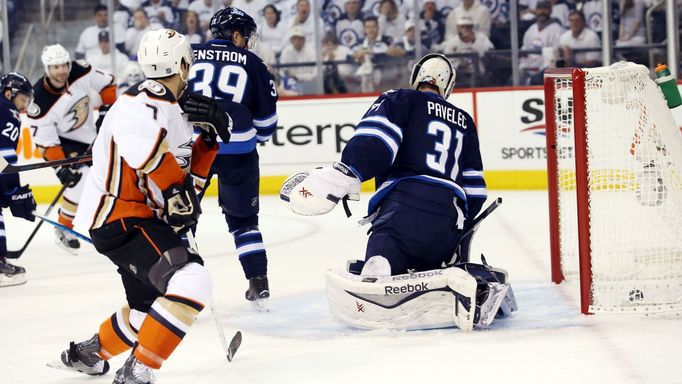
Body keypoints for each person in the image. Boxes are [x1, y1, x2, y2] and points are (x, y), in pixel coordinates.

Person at [282, 53, 516, 331]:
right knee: (430, 260)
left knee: (378, 265)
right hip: (448, 222)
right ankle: (458, 278)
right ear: (448, 86)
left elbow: (376, 143)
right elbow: (475, 190)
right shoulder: (464, 121)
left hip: (402, 211)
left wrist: (345, 173)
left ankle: (386, 275)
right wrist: (456, 233)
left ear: (416, 76)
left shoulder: (401, 99)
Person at [58, 28, 228, 382]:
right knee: (193, 280)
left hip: (136, 221)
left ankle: (89, 353)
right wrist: (177, 195)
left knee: (148, 310)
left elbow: (185, 180)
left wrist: (208, 144)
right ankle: (138, 372)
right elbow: (145, 154)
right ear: (182, 64)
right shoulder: (141, 100)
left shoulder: (173, 110)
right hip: (122, 217)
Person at [188, 7, 279, 310]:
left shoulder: (189, 54)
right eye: (247, 36)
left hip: (195, 148)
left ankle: (181, 284)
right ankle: (258, 282)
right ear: (236, 35)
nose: (249, 42)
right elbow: (266, 123)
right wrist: (260, 137)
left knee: (182, 217)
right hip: (239, 150)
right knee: (244, 222)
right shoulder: (253, 63)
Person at [27, 44, 117, 253]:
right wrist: (61, 169)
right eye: (55, 67)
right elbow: (46, 142)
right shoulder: (40, 100)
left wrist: (105, 113)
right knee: (79, 183)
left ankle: (107, 221)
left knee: (111, 177)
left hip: (93, 135)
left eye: (63, 65)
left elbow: (108, 83)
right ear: (47, 69)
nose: (61, 71)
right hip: (66, 142)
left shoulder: (80, 71)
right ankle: (63, 228)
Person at [0, 72, 37, 288]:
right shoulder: (8, 112)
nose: (23, 107)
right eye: (23, 99)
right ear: (9, 94)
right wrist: (12, 191)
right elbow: (3, 156)